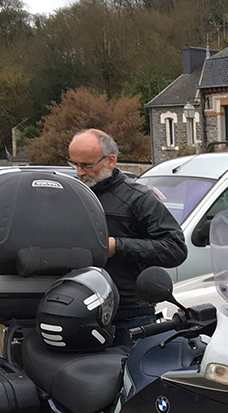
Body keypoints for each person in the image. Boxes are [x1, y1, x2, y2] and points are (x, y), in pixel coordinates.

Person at [67, 129, 186, 344]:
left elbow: (175, 248)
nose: (79, 173)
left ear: (110, 161)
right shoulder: (72, 195)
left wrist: (118, 246)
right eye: (74, 164)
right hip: (79, 311)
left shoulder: (139, 198)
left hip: (130, 315)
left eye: (86, 165)